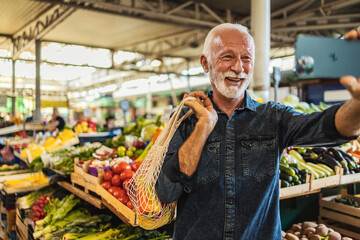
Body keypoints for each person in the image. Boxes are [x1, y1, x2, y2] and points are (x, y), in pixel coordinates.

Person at [155, 23, 360, 240]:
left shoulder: (273, 118)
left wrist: (357, 104)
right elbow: (167, 192)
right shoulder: (185, 120)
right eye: (227, 57)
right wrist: (203, 127)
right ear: (206, 63)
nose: (238, 67)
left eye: (246, 58)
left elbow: (327, 127)